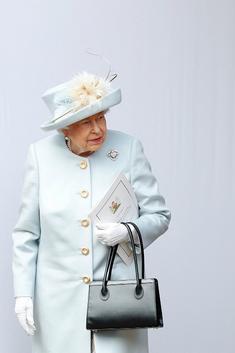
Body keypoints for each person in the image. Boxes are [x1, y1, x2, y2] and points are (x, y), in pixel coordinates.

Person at [12, 71, 171, 353]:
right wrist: (23, 293)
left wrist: (128, 231)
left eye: (101, 117)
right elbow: (26, 234)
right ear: (64, 128)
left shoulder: (128, 148)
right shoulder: (40, 157)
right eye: (86, 122)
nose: (98, 129)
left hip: (119, 303)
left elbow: (159, 215)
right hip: (58, 306)